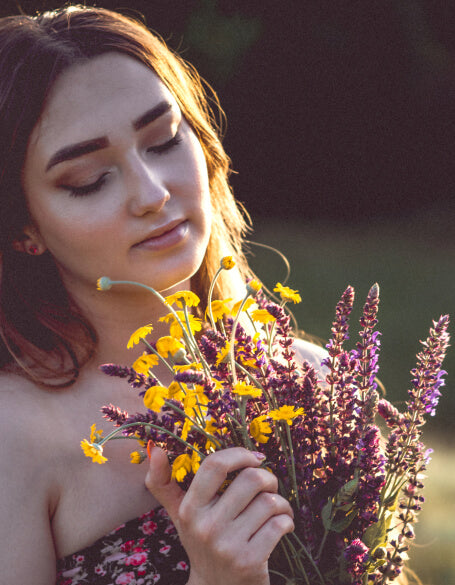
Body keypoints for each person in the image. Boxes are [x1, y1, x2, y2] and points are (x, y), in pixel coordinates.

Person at [0, 5, 329, 585]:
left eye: (163, 140)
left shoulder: (315, 381)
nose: (152, 193)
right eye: (88, 180)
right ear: (24, 229)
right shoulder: (16, 438)